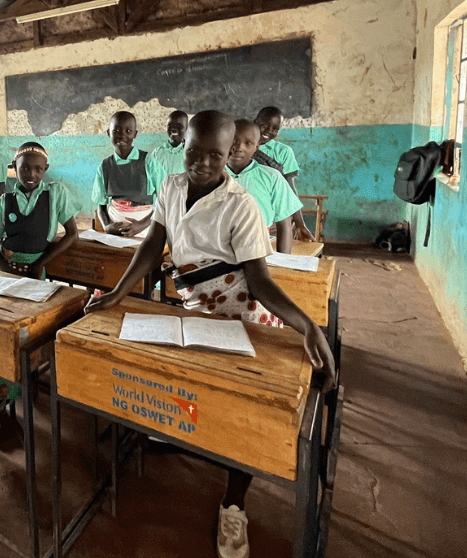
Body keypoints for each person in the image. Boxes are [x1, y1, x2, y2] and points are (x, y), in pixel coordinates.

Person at [85, 111, 335, 558]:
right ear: (183, 149)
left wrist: (307, 324)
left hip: (242, 315)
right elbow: (152, 242)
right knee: (193, 389)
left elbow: (260, 282)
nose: (202, 163)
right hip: (195, 308)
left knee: (242, 411)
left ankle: (234, 503)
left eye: (215, 155)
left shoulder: (241, 205)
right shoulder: (172, 187)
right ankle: (183, 438)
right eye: (193, 153)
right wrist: (118, 292)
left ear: (230, 154)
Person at [0, 142, 79, 458]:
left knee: (22, 340)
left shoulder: (54, 195)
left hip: (35, 280)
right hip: (6, 278)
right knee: (3, 337)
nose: (31, 174)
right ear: (14, 169)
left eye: (38, 168)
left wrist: (44, 261)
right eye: (24, 167)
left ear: (45, 171)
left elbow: (72, 234)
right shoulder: (5, 200)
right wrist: (4, 273)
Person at [229, 120, 302, 254]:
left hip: (258, 248)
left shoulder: (272, 177)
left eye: (248, 143)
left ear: (256, 147)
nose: (239, 147)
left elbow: (284, 223)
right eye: (234, 140)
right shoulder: (213, 174)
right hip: (219, 249)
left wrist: (282, 261)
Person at [92, 111, 166, 237]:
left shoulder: (149, 162)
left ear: (135, 134)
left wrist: (142, 224)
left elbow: (165, 201)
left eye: (128, 131)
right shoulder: (104, 166)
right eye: (116, 131)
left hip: (145, 226)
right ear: (108, 133)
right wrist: (107, 227)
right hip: (114, 226)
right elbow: (101, 205)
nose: (122, 136)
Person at [255, 107, 315, 241]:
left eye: (275, 128)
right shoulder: (242, 147)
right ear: (255, 122)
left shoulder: (283, 151)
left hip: (277, 217)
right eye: (264, 125)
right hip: (249, 214)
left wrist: (300, 223)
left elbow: (290, 189)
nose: (269, 131)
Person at [150, 110, 189, 178]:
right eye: (170, 125)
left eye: (179, 126)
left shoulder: (189, 154)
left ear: (186, 128)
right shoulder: (157, 153)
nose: (173, 129)